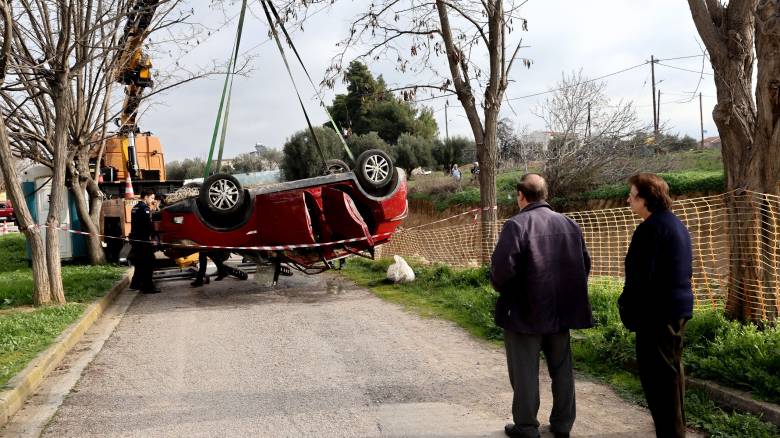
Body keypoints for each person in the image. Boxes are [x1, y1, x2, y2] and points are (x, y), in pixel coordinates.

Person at [491, 173, 592, 438]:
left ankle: (526, 427)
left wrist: (507, 292)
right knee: (562, 370)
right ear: (544, 194)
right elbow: (585, 264)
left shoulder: (516, 225)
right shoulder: (569, 223)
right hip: (561, 311)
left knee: (525, 371)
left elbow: (501, 272)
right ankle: (562, 425)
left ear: (521, 195)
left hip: (524, 313)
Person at [618, 173, 693, 438]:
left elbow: (640, 278)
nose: (628, 198)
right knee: (670, 375)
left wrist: (627, 308)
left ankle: (671, 433)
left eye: (632, 194)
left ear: (646, 199)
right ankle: (674, 430)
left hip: (657, 315)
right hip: (675, 309)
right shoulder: (674, 224)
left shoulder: (651, 228)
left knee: (659, 381)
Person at [129, 189, 160, 294]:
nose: (152, 200)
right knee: (149, 262)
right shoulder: (144, 208)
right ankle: (148, 287)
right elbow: (147, 225)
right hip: (143, 240)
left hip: (135, 239)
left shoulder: (135, 207)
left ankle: (135, 284)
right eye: (151, 198)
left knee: (139, 262)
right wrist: (154, 235)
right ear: (145, 197)